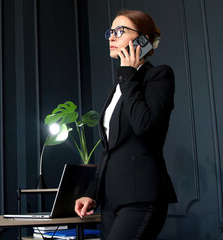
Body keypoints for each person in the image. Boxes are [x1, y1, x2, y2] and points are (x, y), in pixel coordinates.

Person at [74, 10, 177, 240]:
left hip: (142, 198)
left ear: (143, 39)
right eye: (110, 32)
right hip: (111, 202)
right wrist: (92, 193)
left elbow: (145, 126)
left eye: (119, 31)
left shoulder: (159, 76)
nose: (111, 37)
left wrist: (129, 74)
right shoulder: (118, 87)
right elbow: (110, 150)